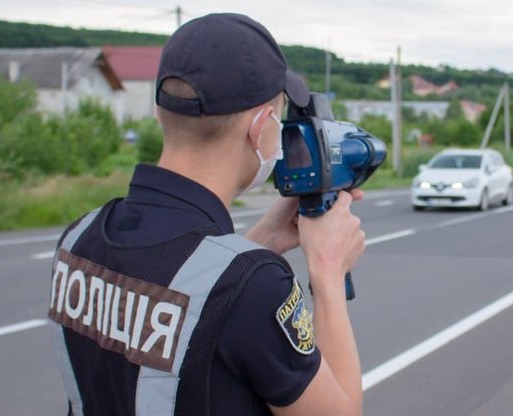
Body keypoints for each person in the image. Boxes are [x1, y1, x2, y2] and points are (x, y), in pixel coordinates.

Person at [46, 13, 364, 416]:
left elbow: (185, 310)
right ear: (261, 127)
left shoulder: (79, 239)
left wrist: (262, 240)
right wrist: (329, 269)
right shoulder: (253, 287)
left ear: (161, 112)